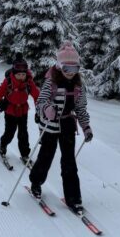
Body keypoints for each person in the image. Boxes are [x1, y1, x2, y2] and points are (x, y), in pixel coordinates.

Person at [29, 41, 93, 211]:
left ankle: (73, 197)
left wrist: (86, 127)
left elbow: (81, 108)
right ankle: (36, 182)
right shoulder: (51, 83)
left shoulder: (78, 86)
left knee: (69, 162)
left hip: (67, 125)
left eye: (74, 68)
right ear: (59, 66)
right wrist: (47, 109)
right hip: (50, 125)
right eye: (66, 68)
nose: (70, 73)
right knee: (46, 157)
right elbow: (40, 102)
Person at [0, 53, 39, 162]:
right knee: (10, 132)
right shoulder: (8, 81)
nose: (21, 77)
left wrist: (39, 110)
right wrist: (0, 102)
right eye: (19, 75)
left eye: (23, 74)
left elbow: (37, 96)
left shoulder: (29, 82)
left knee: (23, 133)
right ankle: (3, 145)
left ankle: (25, 154)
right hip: (10, 111)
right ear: (14, 73)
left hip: (23, 111)